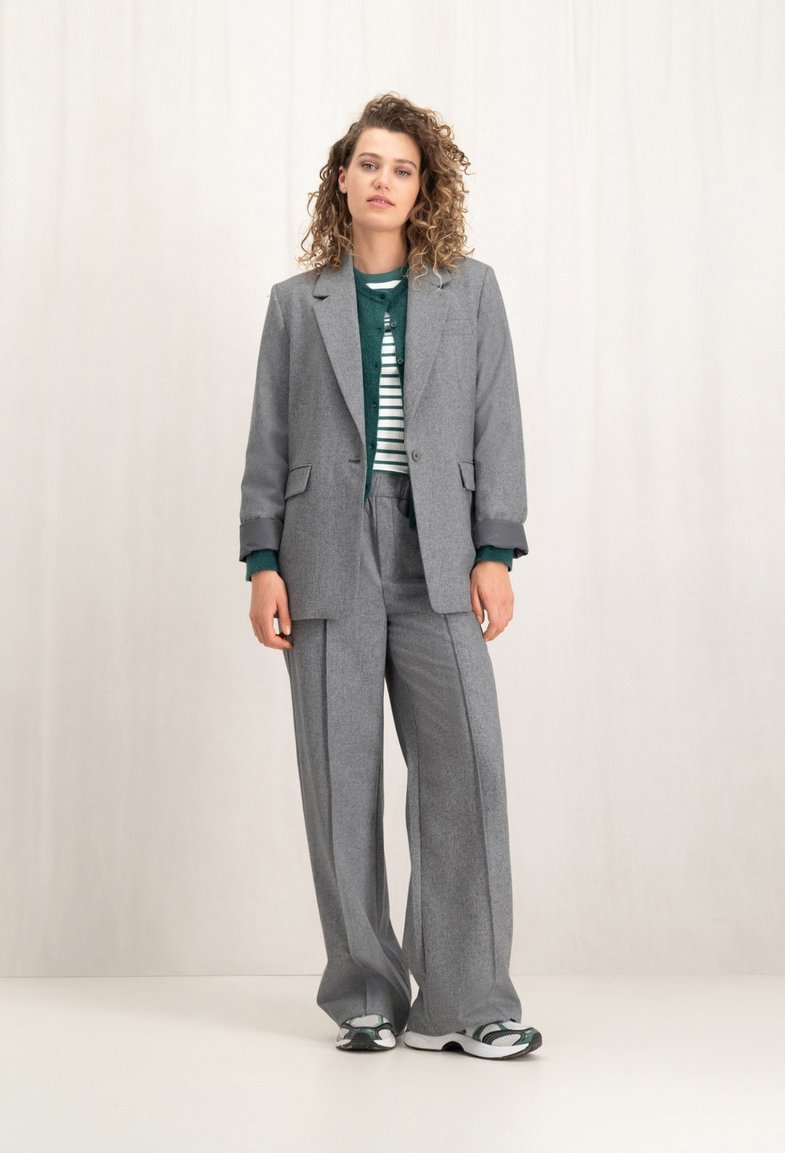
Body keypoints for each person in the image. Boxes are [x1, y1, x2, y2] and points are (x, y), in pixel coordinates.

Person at [239, 93, 542, 1060]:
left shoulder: (471, 291)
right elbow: (268, 442)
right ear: (343, 179)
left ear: (423, 189)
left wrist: (495, 549)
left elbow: (498, 422)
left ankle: (466, 998)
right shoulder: (296, 305)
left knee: (466, 767)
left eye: (402, 168)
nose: (383, 180)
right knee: (340, 776)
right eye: (369, 163)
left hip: (438, 546)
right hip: (323, 547)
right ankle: (365, 992)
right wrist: (262, 562)